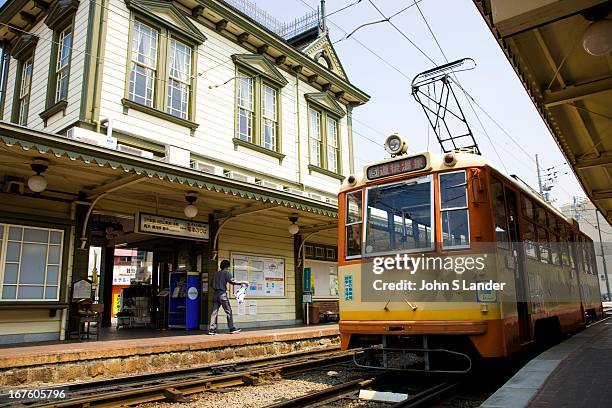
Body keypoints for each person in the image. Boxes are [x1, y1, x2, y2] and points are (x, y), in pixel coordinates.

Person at [208, 260, 248, 335]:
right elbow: (232, 281)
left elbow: (211, 284)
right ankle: (231, 328)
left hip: (215, 294)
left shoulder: (216, 274)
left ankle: (211, 329)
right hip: (222, 294)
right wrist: (242, 282)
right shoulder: (226, 272)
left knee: (214, 312)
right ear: (227, 266)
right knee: (228, 311)